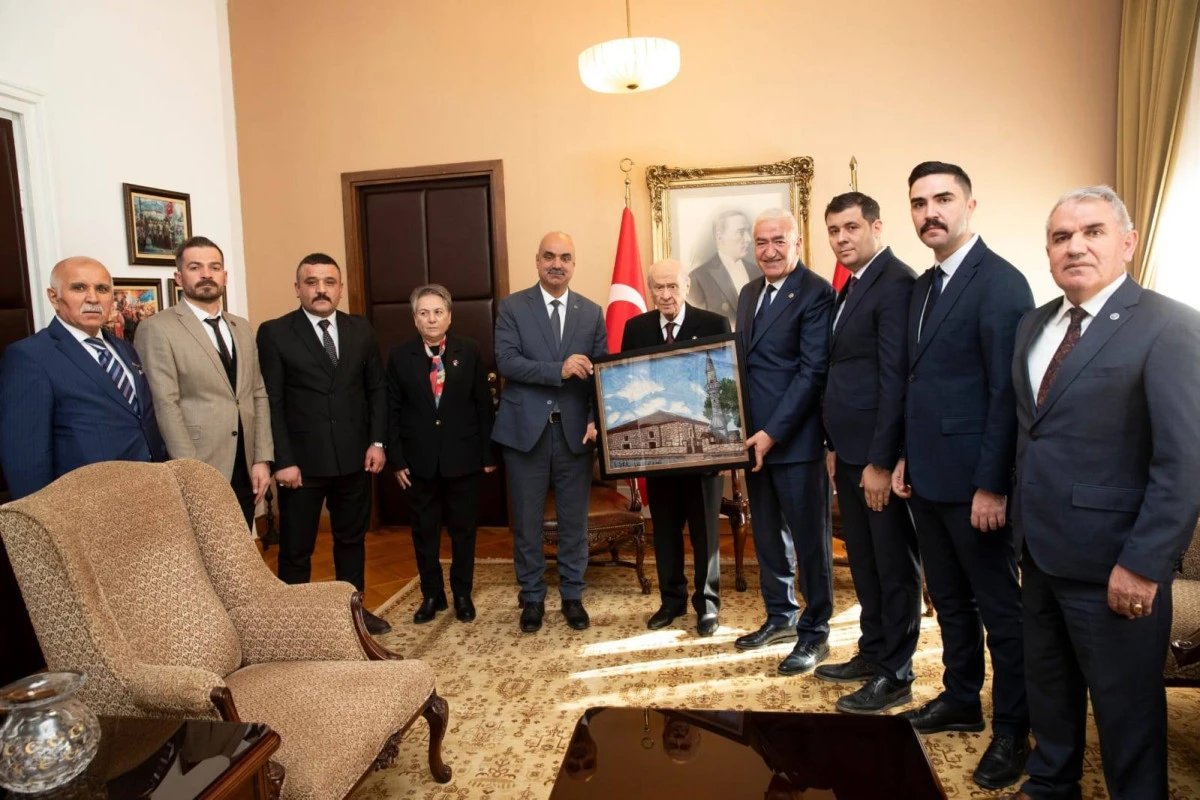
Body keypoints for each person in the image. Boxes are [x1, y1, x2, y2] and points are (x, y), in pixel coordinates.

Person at [1001, 187, 1200, 800]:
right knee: (1050, 696)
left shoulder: (1171, 326)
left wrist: (1143, 566)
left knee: (1127, 718)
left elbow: (1183, 460)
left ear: (1127, 242)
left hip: (1116, 566)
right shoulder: (1034, 324)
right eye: (1061, 237)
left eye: (1091, 231)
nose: (1075, 246)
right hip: (1038, 555)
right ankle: (1051, 785)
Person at [891, 162, 1034, 790]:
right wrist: (902, 457)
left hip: (977, 486)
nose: (930, 213)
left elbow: (1006, 394)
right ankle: (960, 698)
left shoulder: (1001, 284)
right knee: (948, 601)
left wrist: (992, 485)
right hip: (925, 477)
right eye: (919, 202)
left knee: (1000, 609)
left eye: (943, 199)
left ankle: (1013, 729)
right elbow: (917, 383)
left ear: (971, 204)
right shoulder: (923, 288)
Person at [818, 192, 922, 714]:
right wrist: (836, 447)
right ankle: (873, 650)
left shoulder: (896, 282)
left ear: (876, 227)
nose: (841, 239)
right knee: (864, 562)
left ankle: (895, 673)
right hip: (850, 454)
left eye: (851, 228)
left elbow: (894, 379)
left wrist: (882, 462)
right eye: (833, 230)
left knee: (892, 567)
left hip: (876, 461)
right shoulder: (853, 285)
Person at [256, 253, 391, 636]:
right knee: (297, 550)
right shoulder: (275, 332)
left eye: (329, 282)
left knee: (351, 542)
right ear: (297, 288)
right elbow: (272, 400)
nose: (320, 289)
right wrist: (282, 458)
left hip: (354, 459)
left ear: (340, 287)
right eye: (311, 282)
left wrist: (377, 442)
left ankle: (355, 616)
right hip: (301, 465)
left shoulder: (360, 329)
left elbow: (376, 390)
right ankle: (293, 626)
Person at [733, 208, 836, 676]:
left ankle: (815, 634)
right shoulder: (749, 292)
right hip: (753, 442)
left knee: (811, 543)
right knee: (768, 536)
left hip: (793, 442)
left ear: (797, 244)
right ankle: (780, 615)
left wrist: (772, 433)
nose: (769, 250)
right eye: (760, 242)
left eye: (778, 241)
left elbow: (812, 373)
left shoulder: (816, 292)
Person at [492, 231, 607, 633]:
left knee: (574, 521)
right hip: (526, 433)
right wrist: (557, 369)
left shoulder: (591, 312)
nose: (557, 263)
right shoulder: (512, 307)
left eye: (565, 257)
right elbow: (507, 362)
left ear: (574, 264)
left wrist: (596, 417)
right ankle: (532, 598)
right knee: (527, 522)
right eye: (549, 256)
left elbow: (601, 374)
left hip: (576, 433)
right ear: (537, 261)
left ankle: (573, 596)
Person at [135, 236, 273, 531]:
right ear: (179, 277)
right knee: (206, 554)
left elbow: (257, 394)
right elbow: (165, 404)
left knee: (241, 550)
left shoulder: (242, 326)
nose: (207, 274)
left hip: (245, 461)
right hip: (200, 460)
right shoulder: (157, 328)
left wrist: (261, 458)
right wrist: (191, 472)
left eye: (215, 267)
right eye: (195, 267)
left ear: (225, 275)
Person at [0, 256, 168, 498]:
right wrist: (42, 524)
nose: (93, 298)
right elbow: (25, 458)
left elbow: (141, 420)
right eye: (79, 288)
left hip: (150, 491)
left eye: (102, 289)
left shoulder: (124, 349)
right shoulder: (30, 357)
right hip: (87, 506)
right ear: (53, 297)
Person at [622, 259, 729, 636]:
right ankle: (671, 601)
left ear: (686, 285)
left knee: (705, 533)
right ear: (650, 289)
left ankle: (708, 606)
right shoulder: (635, 328)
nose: (665, 295)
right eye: (658, 288)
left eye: (672, 286)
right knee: (664, 530)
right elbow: (628, 384)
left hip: (703, 451)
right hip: (658, 451)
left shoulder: (713, 324)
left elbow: (721, 387)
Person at [386, 283, 496, 625]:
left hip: (463, 458)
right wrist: (397, 459)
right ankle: (432, 594)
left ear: (449, 316)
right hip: (417, 462)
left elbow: (483, 404)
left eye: (437, 312)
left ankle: (462, 594)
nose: (431, 319)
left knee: (463, 530)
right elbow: (391, 410)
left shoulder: (470, 350)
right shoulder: (401, 356)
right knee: (424, 531)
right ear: (414, 319)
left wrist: (488, 453)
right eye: (423, 313)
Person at [688, 210, 762, 325]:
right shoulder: (698, 278)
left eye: (747, 231)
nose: (748, 239)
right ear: (719, 237)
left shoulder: (758, 272)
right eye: (740, 232)